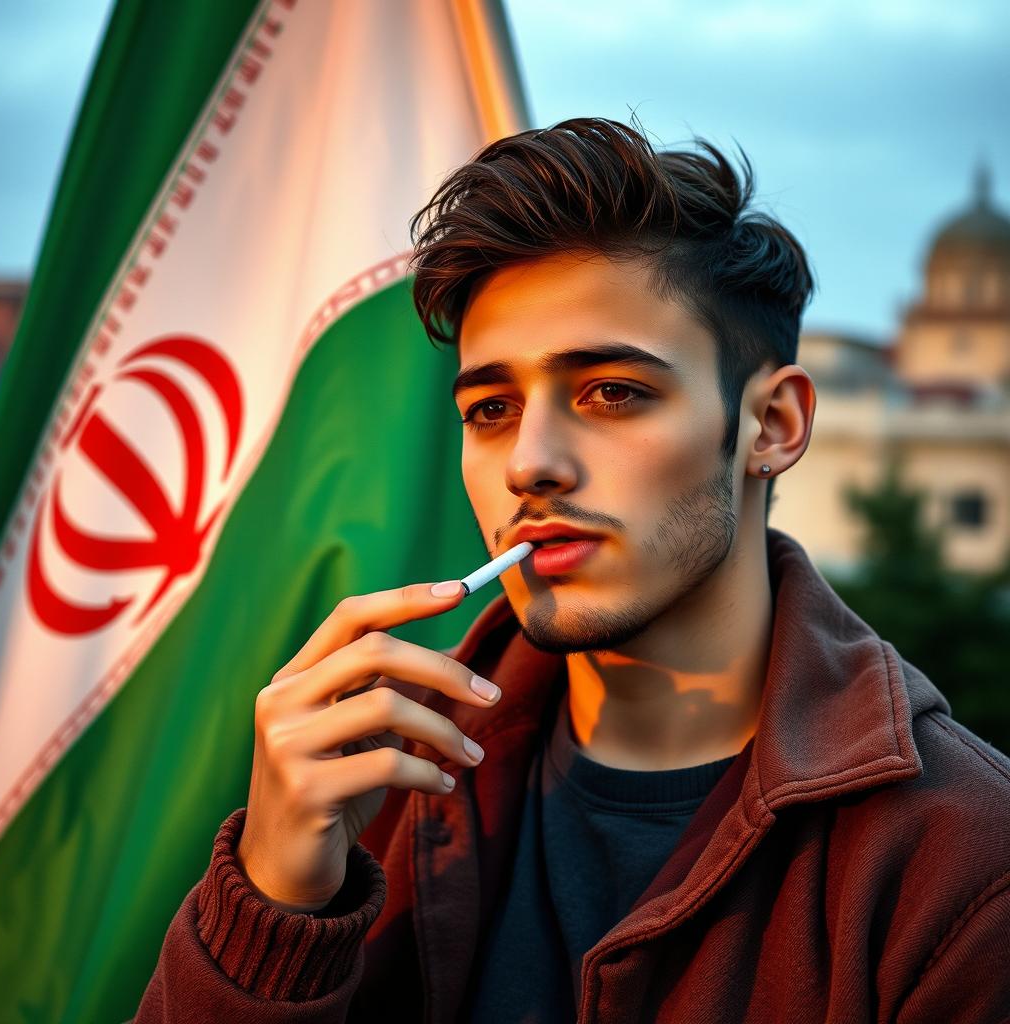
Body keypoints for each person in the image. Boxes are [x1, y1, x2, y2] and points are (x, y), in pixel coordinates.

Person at [134, 118, 1010, 1023]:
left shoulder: (960, 869)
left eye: (612, 392)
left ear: (773, 427)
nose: (530, 463)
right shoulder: (371, 786)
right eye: (491, 408)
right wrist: (274, 913)